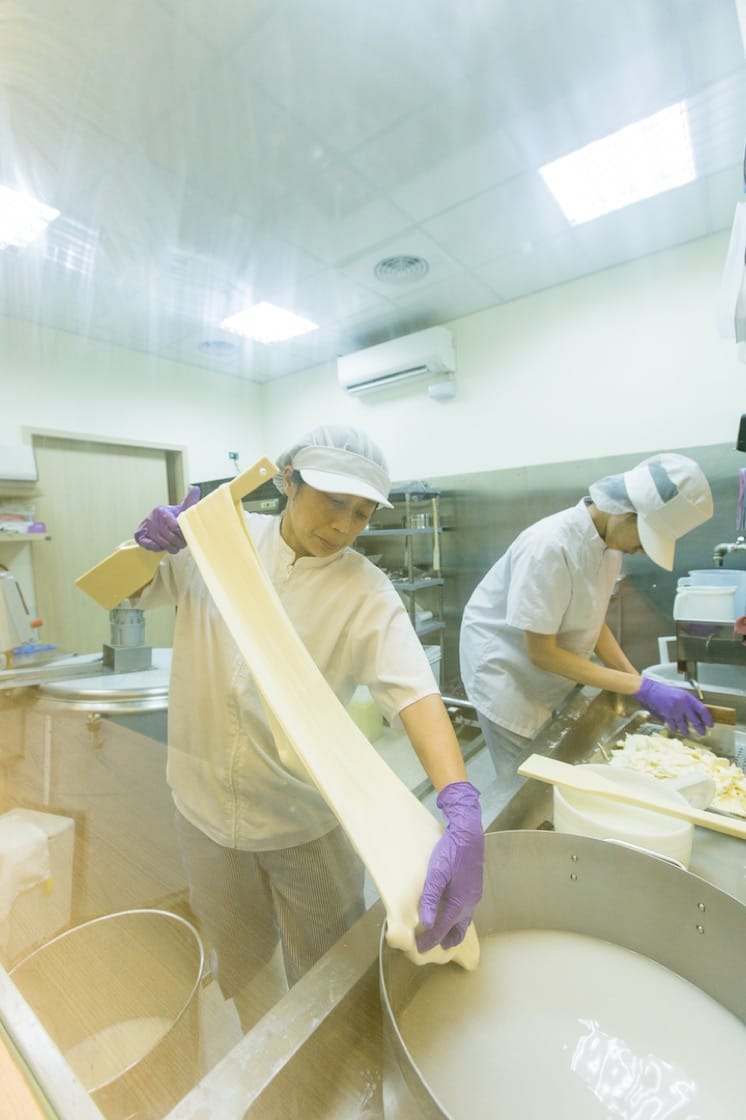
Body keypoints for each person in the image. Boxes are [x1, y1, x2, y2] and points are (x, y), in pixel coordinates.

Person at [132, 425, 484, 1030]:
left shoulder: (365, 591)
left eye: (362, 513)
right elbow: (135, 589)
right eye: (333, 502)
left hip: (302, 819)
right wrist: (144, 547)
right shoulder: (220, 545)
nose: (345, 527)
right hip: (202, 806)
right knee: (241, 963)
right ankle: (261, 1058)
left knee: (330, 971)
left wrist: (460, 800)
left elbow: (415, 692)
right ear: (288, 482)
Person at [459, 453, 715, 806]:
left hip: (539, 668)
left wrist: (637, 683)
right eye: (644, 538)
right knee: (527, 786)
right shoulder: (549, 545)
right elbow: (541, 652)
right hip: (504, 671)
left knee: (544, 767)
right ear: (625, 512)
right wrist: (639, 686)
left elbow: (594, 622)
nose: (641, 549)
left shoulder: (609, 546)